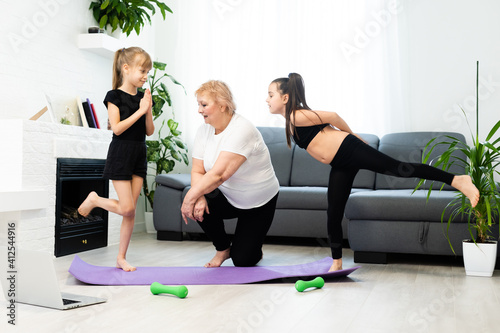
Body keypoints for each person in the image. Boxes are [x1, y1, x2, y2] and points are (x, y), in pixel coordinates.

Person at [266, 73, 480, 272]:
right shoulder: (291, 121)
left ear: (285, 98)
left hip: (349, 150)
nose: (267, 99)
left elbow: (332, 116)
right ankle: (337, 262)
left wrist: (351, 135)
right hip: (341, 163)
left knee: (401, 169)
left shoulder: (296, 116)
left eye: (271, 95)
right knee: (334, 210)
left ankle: (458, 180)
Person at [181, 80, 280, 268]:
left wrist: (190, 197)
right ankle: (222, 248)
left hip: (258, 202)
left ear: (222, 105)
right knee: (196, 197)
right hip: (228, 196)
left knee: (243, 260)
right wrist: (198, 195)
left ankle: (250, 246)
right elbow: (197, 170)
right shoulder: (203, 131)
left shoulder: (242, 129)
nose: (199, 110)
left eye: (204, 105)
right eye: (198, 105)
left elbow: (219, 175)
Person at [78, 47, 154, 272]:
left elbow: (149, 131)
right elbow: (118, 128)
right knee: (127, 208)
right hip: (121, 154)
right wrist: (140, 111)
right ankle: (95, 199)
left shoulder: (143, 98)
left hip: (139, 154)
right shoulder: (113, 96)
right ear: (126, 68)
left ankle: (121, 257)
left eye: (148, 72)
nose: (145, 76)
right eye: (142, 70)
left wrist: (147, 109)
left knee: (130, 210)